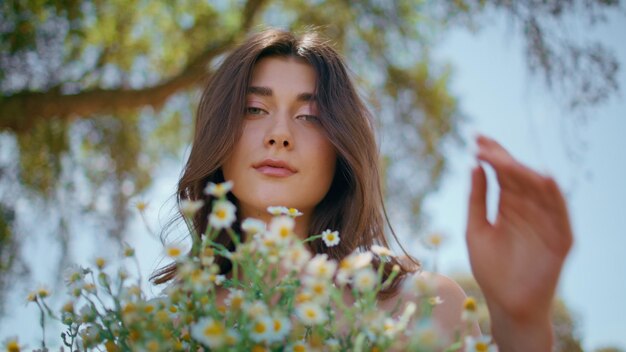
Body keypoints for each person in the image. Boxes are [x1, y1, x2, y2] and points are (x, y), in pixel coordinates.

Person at [151, 28, 573, 351]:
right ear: (218, 137)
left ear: (340, 149)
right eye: (254, 110)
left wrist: (521, 324)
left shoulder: (424, 308)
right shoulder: (168, 324)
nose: (279, 135)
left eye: (310, 116)